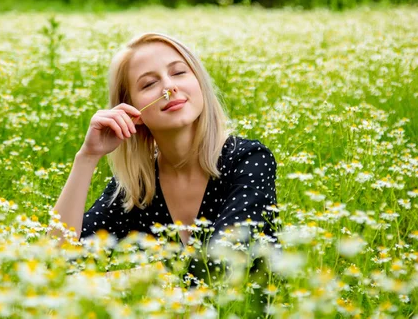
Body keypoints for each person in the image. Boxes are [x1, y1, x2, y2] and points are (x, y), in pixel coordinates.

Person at [49, 33, 279, 285]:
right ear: (131, 109)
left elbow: (220, 262)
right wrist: (87, 157)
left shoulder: (248, 159)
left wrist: (111, 283)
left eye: (179, 73)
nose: (169, 88)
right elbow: (59, 262)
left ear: (199, 82)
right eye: (148, 84)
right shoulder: (138, 186)